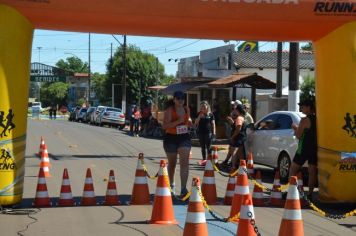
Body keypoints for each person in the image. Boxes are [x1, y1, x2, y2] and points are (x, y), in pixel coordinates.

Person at [162, 91, 192, 197]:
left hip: (184, 137)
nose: (181, 100)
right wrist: (178, 121)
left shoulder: (186, 109)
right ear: (174, 99)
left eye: (182, 98)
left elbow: (188, 121)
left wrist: (190, 122)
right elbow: (165, 126)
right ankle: (172, 185)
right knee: (172, 164)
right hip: (171, 138)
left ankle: (183, 189)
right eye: (178, 98)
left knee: (184, 163)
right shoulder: (170, 110)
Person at [289, 99, 317, 200]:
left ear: (309, 108)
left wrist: (295, 128)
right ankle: (309, 194)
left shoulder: (304, 120)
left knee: (293, 169)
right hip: (315, 148)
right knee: (312, 172)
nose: (301, 108)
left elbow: (298, 135)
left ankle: (290, 192)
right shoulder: (318, 119)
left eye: (303, 106)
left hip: (304, 148)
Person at [220, 103, 246, 169]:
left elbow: (238, 128)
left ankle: (233, 166)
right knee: (240, 153)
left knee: (234, 152)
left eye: (236, 109)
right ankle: (242, 167)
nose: (234, 111)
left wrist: (233, 136)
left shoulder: (239, 118)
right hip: (241, 137)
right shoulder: (242, 117)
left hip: (238, 137)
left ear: (238, 110)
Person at [195, 101, 216, 166]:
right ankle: (204, 160)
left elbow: (213, 124)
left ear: (207, 106)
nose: (203, 108)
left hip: (208, 132)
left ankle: (209, 160)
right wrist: (199, 117)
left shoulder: (211, 114)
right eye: (201, 107)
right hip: (200, 132)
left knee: (208, 146)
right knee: (202, 147)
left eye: (204, 106)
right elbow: (196, 123)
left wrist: (214, 132)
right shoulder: (199, 113)